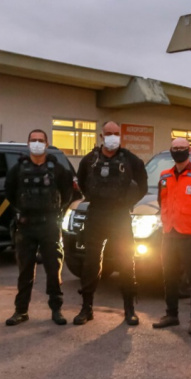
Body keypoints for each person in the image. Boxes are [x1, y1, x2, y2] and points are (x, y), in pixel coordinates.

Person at [74, 121, 148, 326]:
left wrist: (127, 202)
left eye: (116, 133)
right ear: (101, 137)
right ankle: (86, 308)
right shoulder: (90, 160)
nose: (113, 137)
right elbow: (82, 182)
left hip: (119, 216)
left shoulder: (131, 160)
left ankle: (129, 309)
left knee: (126, 262)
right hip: (96, 214)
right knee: (90, 263)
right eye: (109, 133)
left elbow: (142, 185)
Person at [4, 129, 74, 326]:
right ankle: (21, 311)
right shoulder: (18, 169)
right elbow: (10, 192)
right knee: (25, 271)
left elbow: (67, 193)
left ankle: (56, 309)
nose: (36, 143)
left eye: (40, 140)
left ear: (46, 143)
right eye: (33, 140)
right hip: (26, 226)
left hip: (49, 225)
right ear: (28, 144)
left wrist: (55, 212)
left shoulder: (57, 168)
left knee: (53, 270)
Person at [152, 137, 191, 335]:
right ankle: (171, 314)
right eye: (175, 148)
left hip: (190, 235)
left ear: (189, 151)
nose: (178, 151)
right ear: (171, 151)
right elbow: (161, 201)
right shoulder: (164, 176)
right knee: (169, 277)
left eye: (182, 148)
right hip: (169, 234)